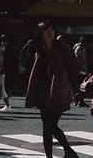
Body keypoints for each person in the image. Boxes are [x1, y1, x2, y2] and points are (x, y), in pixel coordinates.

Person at [25, 21, 81, 158]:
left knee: (51, 125)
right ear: (41, 33)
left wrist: (67, 82)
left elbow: (75, 66)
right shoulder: (38, 48)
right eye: (46, 30)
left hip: (58, 92)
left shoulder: (62, 47)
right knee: (47, 127)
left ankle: (68, 151)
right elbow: (25, 63)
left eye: (51, 29)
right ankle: (57, 154)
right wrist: (28, 46)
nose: (50, 32)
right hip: (43, 92)